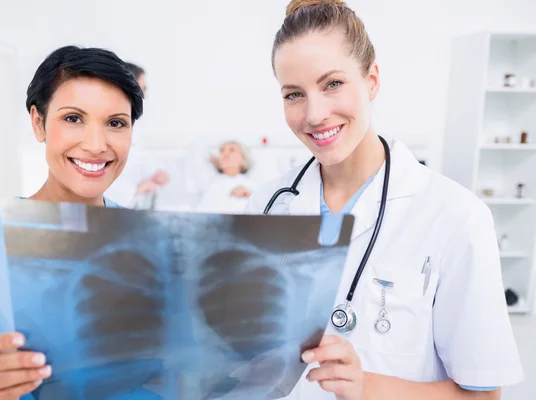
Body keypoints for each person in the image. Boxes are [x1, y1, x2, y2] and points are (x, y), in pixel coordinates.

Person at [246, 1, 523, 399]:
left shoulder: (455, 215)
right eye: (294, 94)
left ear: (372, 79)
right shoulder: (266, 205)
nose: (314, 114)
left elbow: (483, 395)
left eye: (332, 84)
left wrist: (366, 386)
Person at [0, 45, 144, 399]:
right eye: (73, 118)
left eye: (115, 123)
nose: (96, 145)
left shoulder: (152, 242)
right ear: (38, 122)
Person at [104, 62, 170, 207]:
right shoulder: (108, 122)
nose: (144, 95)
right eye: (142, 89)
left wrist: (157, 172)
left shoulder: (135, 122)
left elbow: (140, 156)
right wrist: (135, 189)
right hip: (112, 204)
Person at [196, 140, 256, 214]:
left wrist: (249, 195)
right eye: (221, 150)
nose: (225, 154)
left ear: (243, 159)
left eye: (232, 150)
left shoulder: (251, 187)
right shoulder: (210, 183)